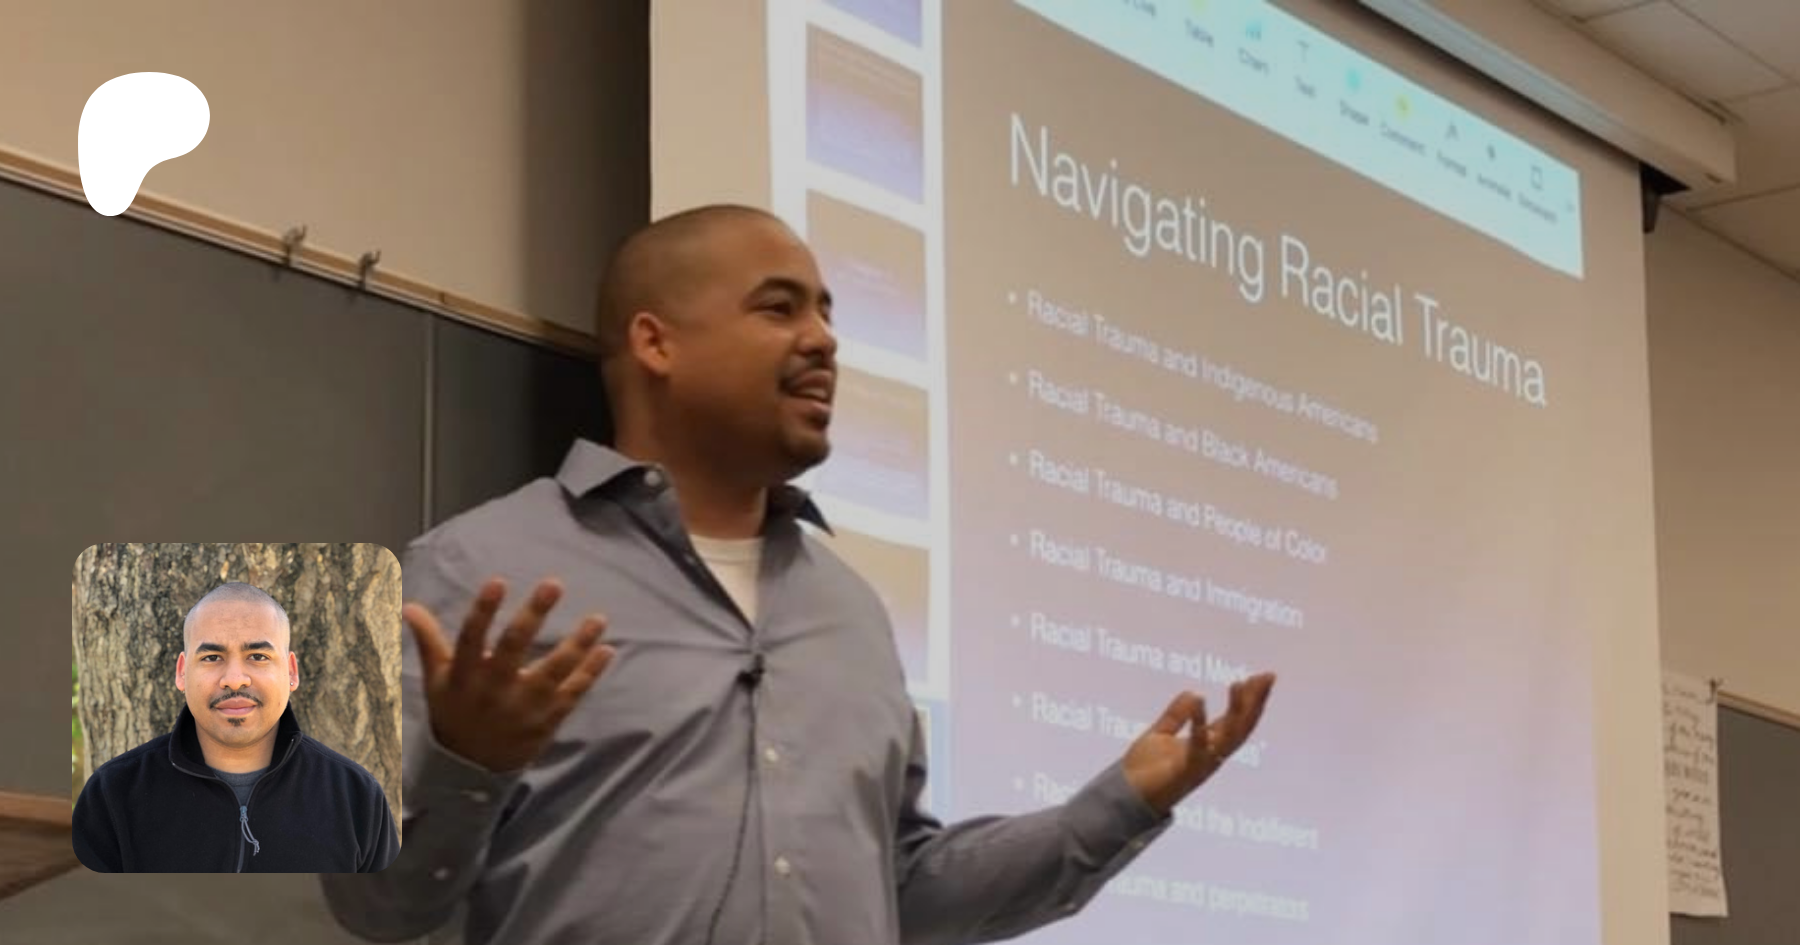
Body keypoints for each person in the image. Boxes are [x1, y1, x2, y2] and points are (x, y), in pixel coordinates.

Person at [320, 204, 1275, 944]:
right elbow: (371, 904)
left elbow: (906, 895)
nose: (823, 339)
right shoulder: (466, 568)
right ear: (656, 342)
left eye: (825, 310)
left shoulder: (848, 610)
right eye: (779, 308)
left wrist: (1120, 803)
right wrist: (469, 764)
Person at [71, 582, 400, 873]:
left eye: (257, 656)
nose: (234, 679)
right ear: (182, 673)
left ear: (291, 672)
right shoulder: (114, 793)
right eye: (212, 657)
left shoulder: (355, 797)